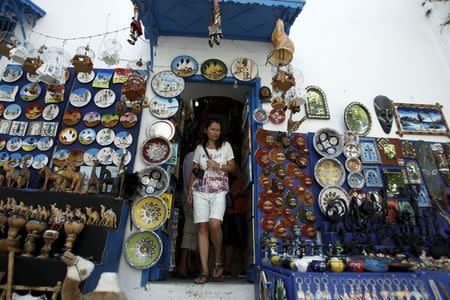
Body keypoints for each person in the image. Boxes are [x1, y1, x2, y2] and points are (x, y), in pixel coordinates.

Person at [187, 119, 236, 284]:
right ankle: (204, 271)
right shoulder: (199, 149)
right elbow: (195, 170)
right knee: (202, 227)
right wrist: (189, 190)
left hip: (219, 190)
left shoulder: (226, 146)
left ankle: (217, 256)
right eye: (213, 129)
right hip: (200, 190)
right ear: (206, 130)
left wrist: (218, 165)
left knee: (215, 224)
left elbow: (233, 168)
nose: (216, 132)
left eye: (218, 129)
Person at [223, 166, 248, 278]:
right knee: (229, 242)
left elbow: (240, 192)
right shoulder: (228, 179)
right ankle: (227, 269)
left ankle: (245, 268)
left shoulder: (245, 178)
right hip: (230, 213)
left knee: (241, 242)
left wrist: (238, 192)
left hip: (240, 212)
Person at [177, 149, 198, 277]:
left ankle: (188, 266)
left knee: (192, 232)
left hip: (188, 197)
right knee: (190, 231)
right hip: (194, 198)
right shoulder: (197, 156)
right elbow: (193, 176)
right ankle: (183, 266)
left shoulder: (188, 155)